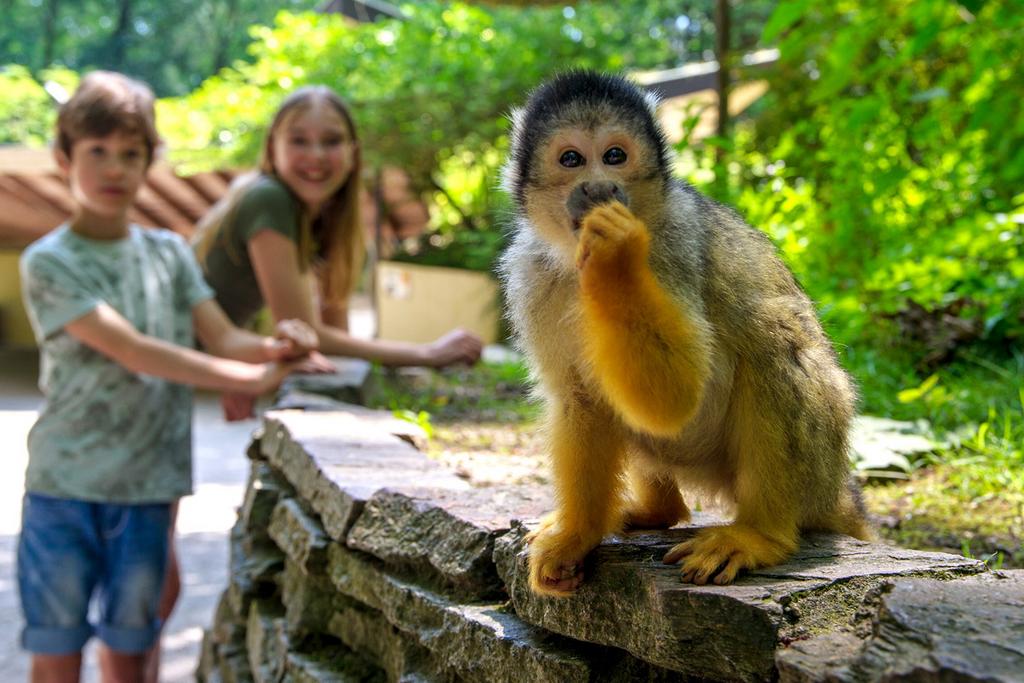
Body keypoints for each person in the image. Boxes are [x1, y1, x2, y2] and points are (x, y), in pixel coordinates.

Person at [17, 71, 319, 683]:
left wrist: (279, 347)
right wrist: (249, 378)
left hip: (150, 486)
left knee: (132, 651)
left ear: (150, 161)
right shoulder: (49, 260)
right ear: (64, 158)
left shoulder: (169, 253)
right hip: (64, 487)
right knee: (56, 650)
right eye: (97, 151)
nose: (114, 168)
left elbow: (225, 336)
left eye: (131, 153)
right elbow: (134, 351)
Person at [192, 85, 483, 416]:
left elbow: (334, 334)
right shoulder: (269, 199)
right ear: (273, 147)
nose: (315, 155)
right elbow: (306, 331)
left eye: (331, 141)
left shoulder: (324, 219)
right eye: (299, 140)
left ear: (352, 153)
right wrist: (427, 354)